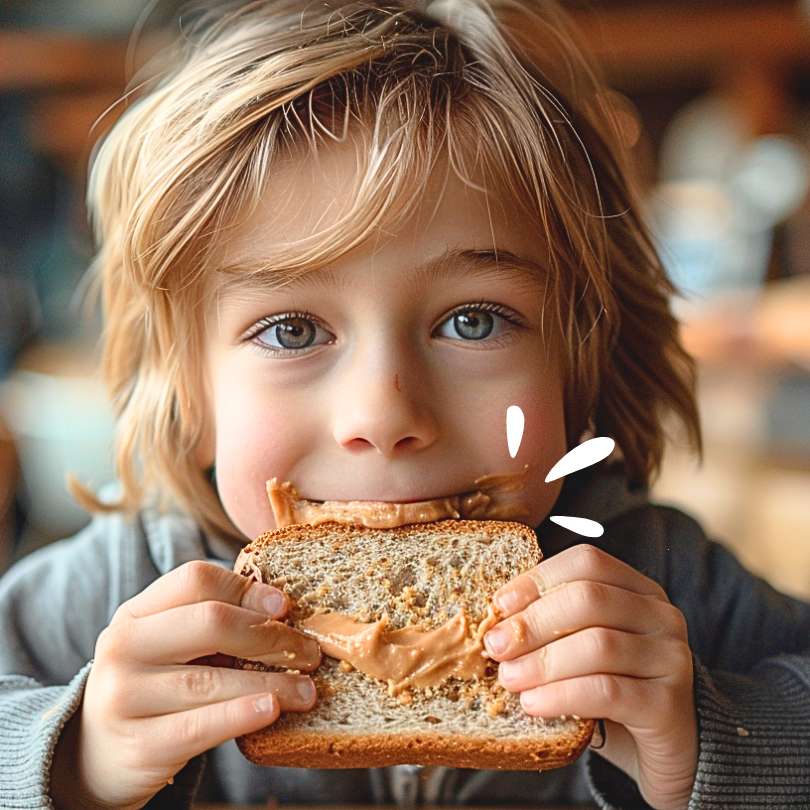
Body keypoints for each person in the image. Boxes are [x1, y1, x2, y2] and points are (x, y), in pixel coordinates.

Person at [1, 1, 808, 807]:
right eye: (290, 330)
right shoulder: (113, 590)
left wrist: (717, 741)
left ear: (581, 362)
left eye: (473, 320)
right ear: (190, 389)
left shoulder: (657, 586)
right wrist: (71, 760)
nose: (384, 416)